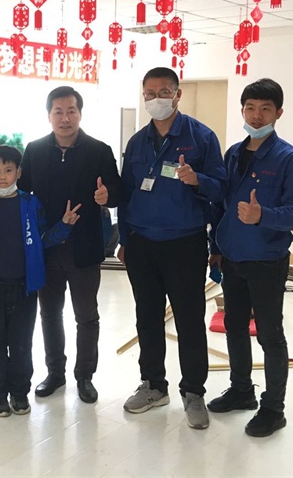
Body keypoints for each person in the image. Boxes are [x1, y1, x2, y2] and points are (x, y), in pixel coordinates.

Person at [0, 85, 122, 404]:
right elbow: (17, 188)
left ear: (80, 114)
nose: (65, 118)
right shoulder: (35, 150)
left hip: (84, 247)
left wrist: (107, 195)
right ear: (48, 115)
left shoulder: (99, 150)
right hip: (44, 248)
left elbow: (117, 189)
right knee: (50, 313)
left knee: (86, 315)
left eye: (71, 111)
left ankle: (85, 376)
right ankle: (55, 373)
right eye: (58, 112)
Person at [117, 67, 226, 430]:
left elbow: (221, 190)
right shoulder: (137, 142)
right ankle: (153, 385)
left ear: (177, 95)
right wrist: (124, 239)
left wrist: (198, 180)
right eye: (149, 93)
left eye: (163, 92)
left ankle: (193, 392)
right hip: (142, 244)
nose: (156, 99)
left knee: (189, 320)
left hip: (184, 243)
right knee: (147, 317)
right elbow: (127, 194)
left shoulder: (201, 138)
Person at [207, 78, 293, 438]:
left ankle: (273, 409)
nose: (256, 115)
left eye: (265, 109)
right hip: (233, 256)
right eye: (250, 108)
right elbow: (221, 205)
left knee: (269, 334)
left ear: (278, 113)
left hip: (266, 258)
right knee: (235, 326)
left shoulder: (289, 159)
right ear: (242, 110)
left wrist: (262, 215)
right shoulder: (234, 154)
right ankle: (241, 391)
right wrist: (215, 248)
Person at [0, 145, 80, 417]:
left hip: (24, 287)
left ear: (19, 172)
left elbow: (43, 240)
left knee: (21, 342)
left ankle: (19, 392)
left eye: (8, 170)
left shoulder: (30, 203)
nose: (2, 177)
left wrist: (64, 226)